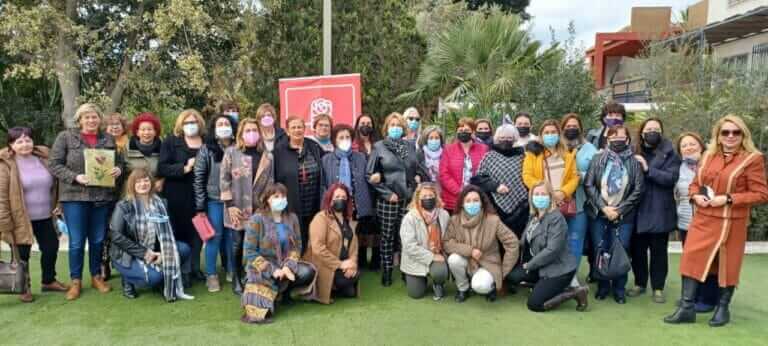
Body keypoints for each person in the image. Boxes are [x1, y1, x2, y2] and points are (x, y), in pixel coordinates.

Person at [665, 115, 768, 327]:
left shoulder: (752, 159)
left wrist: (729, 198)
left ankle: (723, 309)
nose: (730, 136)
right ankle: (686, 308)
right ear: (718, 136)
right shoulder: (708, 156)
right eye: (725, 132)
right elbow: (695, 184)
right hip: (703, 218)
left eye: (735, 132)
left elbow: (761, 194)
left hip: (731, 222)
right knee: (691, 259)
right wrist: (695, 196)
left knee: (726, 266)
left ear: (743, 135)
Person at [49, 103, 124, 300]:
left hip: (102, 196)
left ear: (100, 120)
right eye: (87, 117)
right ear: (79, 120)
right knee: (76, 241)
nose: (91, 120)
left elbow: (119, 162)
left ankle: (96, 276)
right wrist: (75, 177)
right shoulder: (65, 137)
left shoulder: (107, 138)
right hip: (75, 196)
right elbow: (54, 165)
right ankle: (76, 281)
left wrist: (118, 170)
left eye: (95, 117)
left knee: (98, 239)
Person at [0, 127, 67, 302]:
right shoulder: (5, 164)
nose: (24, 144)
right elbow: (1, 197)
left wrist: (58, 203)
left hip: (45, 216)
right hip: (20, 219)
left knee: (51, 247)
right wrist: (4, 222)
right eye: (19, 141)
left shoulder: (44, 158)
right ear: (11, 145)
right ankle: (23, 287)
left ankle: (48, 280)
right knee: (22, 255)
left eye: (28, 140)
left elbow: (57, 184)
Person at [109, 169, 194, 301]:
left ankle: (161, 274)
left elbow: (170, 230)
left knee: (184, 249)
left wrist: (162, 253)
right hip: (127, 255)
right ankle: (128, 279)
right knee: (155, 278)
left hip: (154, 250)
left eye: (146, 180)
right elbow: (116, 237)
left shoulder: (161, 203)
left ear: (152, 182)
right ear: (132, 185)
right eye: (138, 181)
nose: (143, 184)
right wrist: (145, 253)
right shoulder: (123, 206)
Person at [584, 125, 644, 304]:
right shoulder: (597, 159)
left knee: (621, 250)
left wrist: (619, 210)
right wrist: (604, 207)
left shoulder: (634, 162)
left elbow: (639, 190)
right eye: (613, 136)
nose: (617, 139)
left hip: (624, 216)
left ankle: (619, 288)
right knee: (600, 249)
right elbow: (589, 185)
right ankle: (603, 286)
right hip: (599, 214)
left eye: (621, 136)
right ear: (607, 139)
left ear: (627, 139)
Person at [241, 183, 317, 324]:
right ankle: (274, 295)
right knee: (260, 313)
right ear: (267, 199)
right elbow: (249, 251)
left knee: (308, 271)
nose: (280, 199)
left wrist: (288, 266)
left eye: (283, 196)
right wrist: (273, 270)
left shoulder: (292, 218)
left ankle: (284, 293)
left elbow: (297, 246)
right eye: (276, 196)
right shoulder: (257, 219)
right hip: (263, 267)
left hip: (285, 264)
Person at [367, 112, 429, 286]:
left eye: (398, 125)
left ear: (403, 128)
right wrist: (387, 194)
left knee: (406, 237)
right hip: (388, 200)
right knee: (387, 237)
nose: (395, 128)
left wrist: (417, 177)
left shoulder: (409, 147)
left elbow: (418, 169)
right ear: (387, 128)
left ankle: (406, 270)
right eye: (392, 125)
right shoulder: (378, 147)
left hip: (408, 198)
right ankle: (386, 271)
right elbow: (369, 175)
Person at [506, 181, 588, 312]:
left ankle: (574, 293)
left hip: (559, 269)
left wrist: (530, 265)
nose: (539, 197)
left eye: (543, 194)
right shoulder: (534, 216)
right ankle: (544, 286)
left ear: (550, 197)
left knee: (534, 304)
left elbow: (552, 250)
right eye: (536, 194)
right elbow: (524, 241)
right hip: (540, 265)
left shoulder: (556, 219)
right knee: (513, 276)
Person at [628, 118, 681, 304]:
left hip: (660, 209)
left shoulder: (671, 153)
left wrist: (648, 169)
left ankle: (658, 287)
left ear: (662, 131)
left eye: (656, 129)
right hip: (637, 208)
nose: (652, 132)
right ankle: (640, 283)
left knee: (659, 251)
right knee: (638, 251)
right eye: (649, 129)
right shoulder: (633, 151)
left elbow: (671, 178)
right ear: (642, 133)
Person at [220, 118, 275, 295]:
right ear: (241, 134)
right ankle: (236, 277)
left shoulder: (267, 155)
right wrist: (229, 205)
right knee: (237, 244)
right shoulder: (231, 153)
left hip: (260, 208)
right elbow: (224, 180)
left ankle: (253, 276)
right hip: (237, 207)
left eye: (254, 129)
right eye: (247, 130)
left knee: (258, 244)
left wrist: (268, 206)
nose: (251, 133)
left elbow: (271, 182)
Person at [444, 185, 519, 302]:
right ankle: (463, 288)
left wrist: (503, 271)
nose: (472, 204)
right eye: (468, 201)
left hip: (488, 263)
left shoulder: (493, 220)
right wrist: (470, 251)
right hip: (467, 261)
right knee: (453, 259)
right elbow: (447, 243)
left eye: (475, 200)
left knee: (480, 285)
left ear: (481, 203)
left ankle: (491, 286)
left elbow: (512, 243)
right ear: (462, 203)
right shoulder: (455, 220)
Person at [158, 109, 206, 286]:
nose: (191, 125)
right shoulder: (171, 142)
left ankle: (195, 267)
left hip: (201, 194)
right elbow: (162, 168)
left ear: (199, 123)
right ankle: (182, 269)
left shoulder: (207, 142)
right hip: (177, 194)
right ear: (181, 124)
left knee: (198, 232)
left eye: (194, 122)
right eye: (187, 122)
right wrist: (184, 167)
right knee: (179, 231)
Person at [674, 132, 719, 312]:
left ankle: (708, 299)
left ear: (701, 146)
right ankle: (691, 297)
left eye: (692, 144)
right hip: (685, 221)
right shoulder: (680, 168)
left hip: (707, 221)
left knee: (709, 262)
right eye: (684, 146)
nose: (688, 148)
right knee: (691, 261)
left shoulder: (711, 165)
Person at [320, 124, 374, 268]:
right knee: (339, 235)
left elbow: (368, 178)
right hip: (337, 204)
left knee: (358, 234)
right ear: (334, 140)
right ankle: (341, 263)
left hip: (358, 203)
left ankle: (359, 263)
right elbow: (324, 185)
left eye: (347, 137)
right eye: (341, 137)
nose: (345, 140)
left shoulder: (361, 157)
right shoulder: (326, 160)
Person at [194, 113, 237, 292]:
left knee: (232, 237)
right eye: (220, 124)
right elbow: (198, 177)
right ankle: (211, 274)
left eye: (227, 123)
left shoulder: (238, 148)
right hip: (214, 200)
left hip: (235, 201)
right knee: (214, 236)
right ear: (214, 129)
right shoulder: (206, 149)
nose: (224, 126)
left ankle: (232, 270)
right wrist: (200, 206)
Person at [274, 115, 326, 255]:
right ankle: (294, 267)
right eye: (293, 127)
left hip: (313, 202)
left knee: (314, 238)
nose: (297, 130)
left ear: (304, 129)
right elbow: (275, 178)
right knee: (294, 240)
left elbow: (325, 167)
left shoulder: (313, 146)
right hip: (291, 204)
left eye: (300, 127)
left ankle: (312, 267)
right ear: (287, 131)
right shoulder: (279, 151)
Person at [304, 183, 360, 304]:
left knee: (353, 281)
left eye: (344, 198)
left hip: (344, 263)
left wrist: (352, 263)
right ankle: (329, 285)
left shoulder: (348, 220)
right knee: (345, 282)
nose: (341, 200)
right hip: (325, 264)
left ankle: (336, 284)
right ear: (330, 199)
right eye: (337, 196)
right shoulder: (320, 218)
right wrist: (340, 265)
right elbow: (318, 248)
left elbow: (354, 246)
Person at [560, 113, 598, 287]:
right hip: (557, 201)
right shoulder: (556, 146)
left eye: (574, 126)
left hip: (580, 203)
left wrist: (578, 176)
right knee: (556, 240)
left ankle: (571, 275)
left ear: (581, 128)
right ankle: (555, 275)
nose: (571, 129)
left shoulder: (590, 149)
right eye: (568, 126)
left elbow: (597, 173)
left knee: (575, 240)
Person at [472, 125, 529, 237]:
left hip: (521, 207)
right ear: (497, 138)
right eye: (502, 138)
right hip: (494, 206)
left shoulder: (523, 156)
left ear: (514, 138)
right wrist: (495, 186)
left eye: (509, 137)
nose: (505, 140)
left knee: (517, 238)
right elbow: (478, 179)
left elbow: (528, 177)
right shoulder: (489, 156)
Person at [399, 183, 450, 300]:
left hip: (437, 255)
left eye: (430, 195)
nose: (428, 199)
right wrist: (431, 256)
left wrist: (441, 255)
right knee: (416, 294)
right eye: (424, 197)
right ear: (417, 199)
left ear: (436, 196)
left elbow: (447, 238)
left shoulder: (444, 215)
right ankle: (418, 278)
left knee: (440, 272)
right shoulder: (410, 217)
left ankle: (438, 283)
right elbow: (409, 247)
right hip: (415, 259)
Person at [439, 117, 488, 213]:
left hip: (476, 199)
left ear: (473, 132)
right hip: (453, 199)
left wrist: (474, 192)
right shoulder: (448, 150)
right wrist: (459, 191)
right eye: (460, 130)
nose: (463, 132)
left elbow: (486, 172)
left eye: (466, 130)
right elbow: (444, 174)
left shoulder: (483, 149)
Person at [352, 114, 381, 270]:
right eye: (362, 123)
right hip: (360, 190)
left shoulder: (378, 144)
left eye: (369, 123)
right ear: (357, 125)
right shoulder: (353, 145)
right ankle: (361, 259)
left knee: (377, 225)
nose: (366, 125)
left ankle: (376, 260)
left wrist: (380, 175)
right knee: (362, 226)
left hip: (377, 189)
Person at [125, 112, 163, 192]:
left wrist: (163, 181)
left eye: (150, 129)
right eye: (143, 129)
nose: (146, 133)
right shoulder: (127, 148)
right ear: (137, 132)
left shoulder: (164, 148)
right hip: (132, 194)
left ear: (155, 132)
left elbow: (169, 169)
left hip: (156, 193)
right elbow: (122, 170)